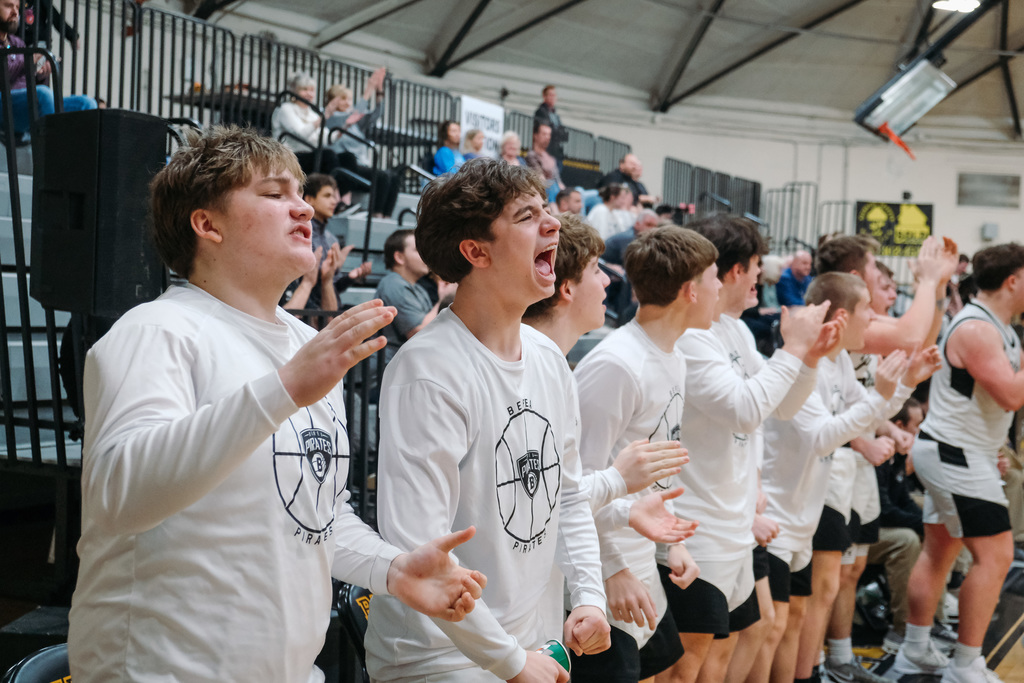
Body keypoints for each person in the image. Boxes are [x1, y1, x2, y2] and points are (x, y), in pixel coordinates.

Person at [66, 125, 487, 682]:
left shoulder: (300, 345)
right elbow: (118, 494)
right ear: (206, 224)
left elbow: (314, 516)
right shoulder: (156, 332)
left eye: (300, 193)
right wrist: (283, 390)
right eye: (274, 194)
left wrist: (395, 568)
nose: (303, 209)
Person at [366, 158, 611, 683]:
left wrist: (589, 594)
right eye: (527, 216)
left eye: (547, 209)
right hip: (439, 660)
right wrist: (510, 662)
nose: (553, 224)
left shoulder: (548, 357)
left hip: (526, 646)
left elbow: (565, 495)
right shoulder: (429, 370)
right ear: (475, 252)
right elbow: (422, 549)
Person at [656, 216, 836, 683]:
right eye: (755, 265)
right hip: (700, 524)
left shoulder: (733, 330)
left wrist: (808, 360)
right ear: (733, 270)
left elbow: (781, 406)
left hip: (735, 522)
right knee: (690, 660)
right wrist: (793, 350)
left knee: (731, 645)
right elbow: (745, 409)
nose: (761, 276)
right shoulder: (693, 338)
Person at [755, 273, 933, 683]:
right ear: (840, 315)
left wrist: (905, 383)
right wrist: (883, 392)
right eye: (866, 309)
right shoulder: (803, 363)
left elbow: (871, 417)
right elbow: (824, 437)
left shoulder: (836, 361)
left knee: (794, 617)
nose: (872, 319)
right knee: (770, 629)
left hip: (806, 508)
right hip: (778, 513)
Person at [573, 226, 720, 683]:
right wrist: (611, 567)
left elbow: (659, 470)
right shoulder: (616, 364)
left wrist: (672, 542)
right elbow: (576, 483)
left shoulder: (673, 356)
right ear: (691, 290)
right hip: (602, 568)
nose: (719, 289)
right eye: (714, 278)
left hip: (642, 555)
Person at [894, 243, 1024, 683]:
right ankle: (965, 664)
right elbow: (1012, 393)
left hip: (965, 451)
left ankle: (912, 651)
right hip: (953, 453)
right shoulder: (976, 328)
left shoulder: (999, 326)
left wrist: (992, 453)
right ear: (1013, 280)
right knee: (997, 556)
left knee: (939, 551)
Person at [0, 0, 94, 137]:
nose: (16, 12)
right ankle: (53, 155)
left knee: (85, 104)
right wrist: (30, 60)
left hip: (23, 104)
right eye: (9, 6)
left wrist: (41, 71)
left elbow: (25, 75)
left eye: (17, 7)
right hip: (4, 105)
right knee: (43, 95)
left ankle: (80, 157)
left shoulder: (17, 43)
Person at [281, 173, 371, 316]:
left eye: (335, 197)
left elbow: (330, 286)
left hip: (328, 308)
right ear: (309, 199)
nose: (334, 201)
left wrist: (350, 278)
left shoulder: (332, 239)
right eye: (327, 196)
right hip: (306, 312)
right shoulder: (299, 235)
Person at [325, 66, 401, 218]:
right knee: (382, 176)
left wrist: (379, 89)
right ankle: (376, 214)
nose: (348, 102)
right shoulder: (330, 117)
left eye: (349, 99)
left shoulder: (355, 121)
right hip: (346, 165)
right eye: (343, 99)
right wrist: (369, 89)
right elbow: (355, 115)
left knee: (394, 177)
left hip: (362, 165)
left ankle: (386, 216)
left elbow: (376, 113)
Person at [375, 228, 456, 365]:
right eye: (417, 250)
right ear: (399, 257)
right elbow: (419, 332)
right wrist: (444, 298)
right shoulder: (393, 284)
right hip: (386, 373)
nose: (425, 256)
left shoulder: (418, 288)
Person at [533, 84, 565, 163]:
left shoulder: (556, 115)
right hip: (546, 150)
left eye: (554, 95)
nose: (553, 97)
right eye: (550, 95)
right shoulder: (541, 111)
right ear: (544, 96)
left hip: (556, 152)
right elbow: (547, 129)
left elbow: (563, 133)